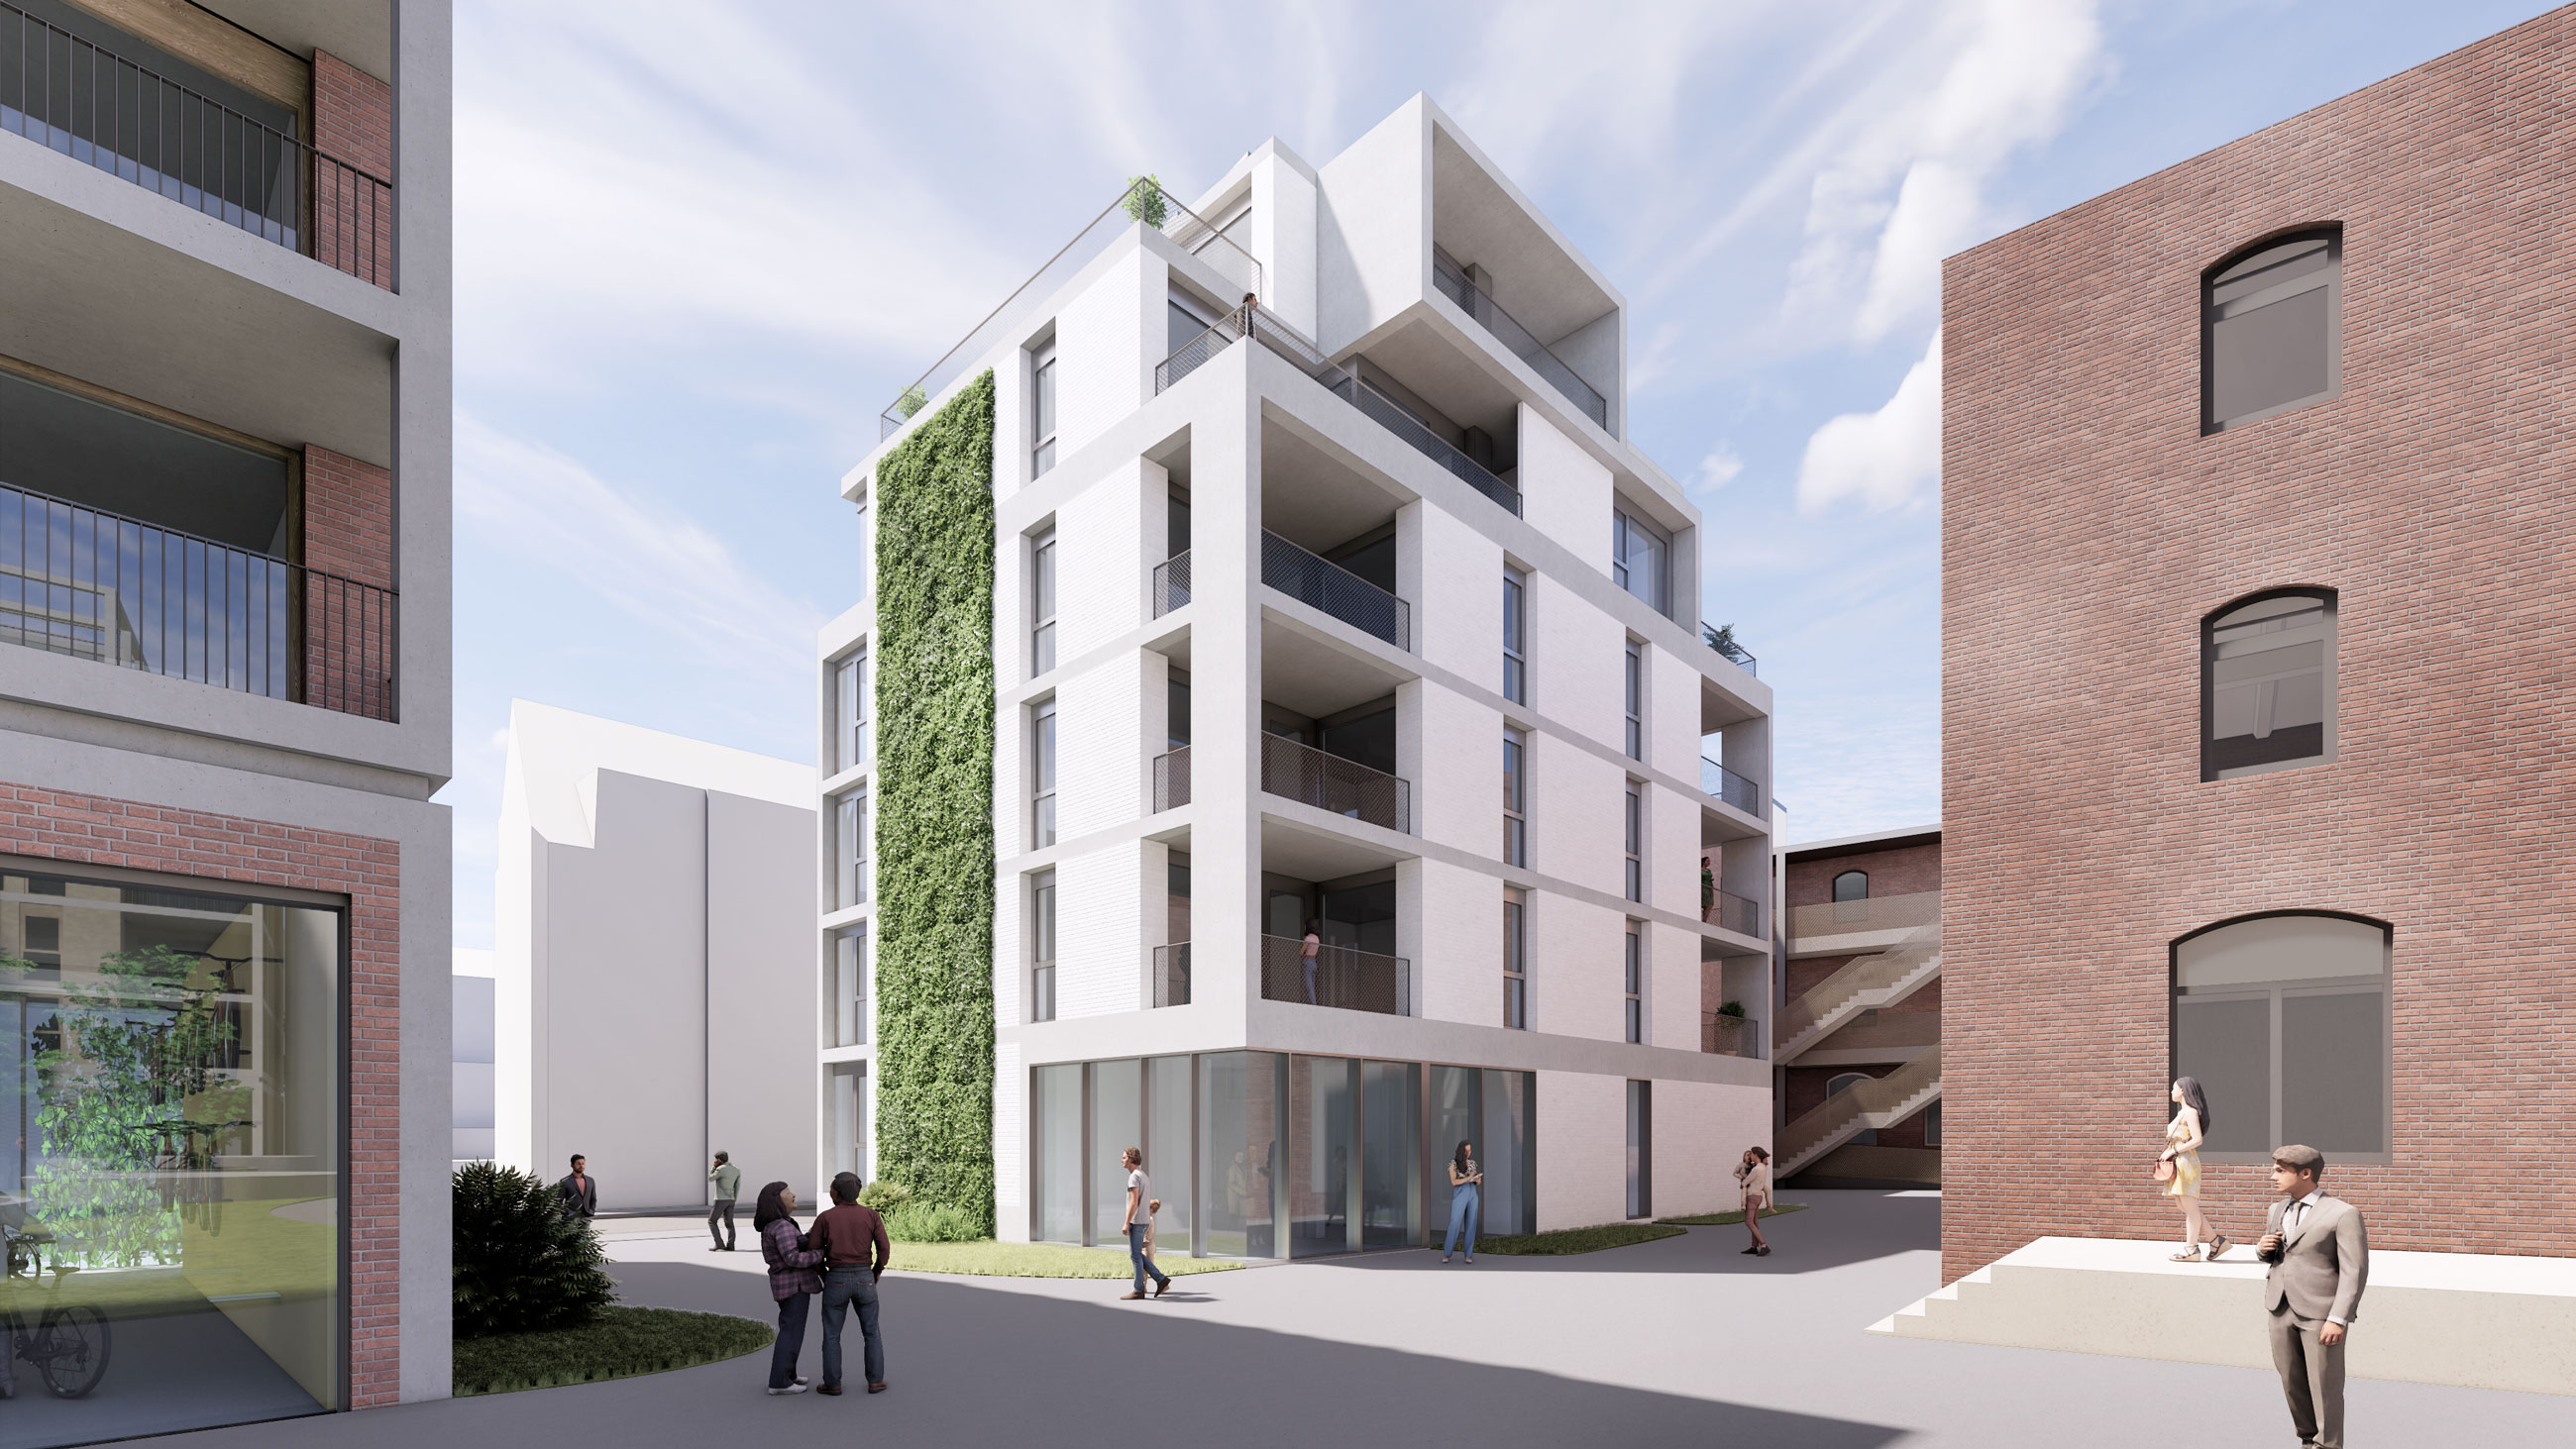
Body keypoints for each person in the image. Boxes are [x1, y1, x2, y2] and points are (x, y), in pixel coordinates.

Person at [2256, 1145, 2368, 1449]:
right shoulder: (2276, 1210)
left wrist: (2338, 1317)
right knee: (2291, 1382)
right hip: (2280, 1307)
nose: (2273, 1176)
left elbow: (2353, 1271)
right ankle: (2308, 1439)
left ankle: (2328, 1444)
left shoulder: (2343, 1214)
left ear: (2305, 1173)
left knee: (2325, 1386)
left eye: (2280, 1170)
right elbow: (2282, 1255)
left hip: (2321, 1313)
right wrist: (2263, 1250)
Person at [808, 1172, 890, 1396]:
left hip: (836, 1278)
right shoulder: (871, 1215)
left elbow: (813, 1250)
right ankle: (875, 1381)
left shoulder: (825, 1218)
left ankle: (832, 1383)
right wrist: (876, 1271)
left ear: (836, 1193)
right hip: (865, 1278)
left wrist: (824, 1274)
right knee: (871, 1331)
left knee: (832, 1334)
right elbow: (884, 1248)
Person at [755, 1180, 823, 1396]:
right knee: (790, 1332)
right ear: (777, 1199)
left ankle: (789, 1374)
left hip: (788, 1286)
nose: (793, 1195)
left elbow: (795, 1245)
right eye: (788, 1192)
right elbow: (792, 1257)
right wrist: (820, 1253)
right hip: (794, 1286)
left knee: (793, 1331)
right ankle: (779, 1382)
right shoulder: (782, 1226)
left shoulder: (779, 1224)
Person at [2159, 1077, 2232, 1261]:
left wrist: (2173, 1150)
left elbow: (2197, 1139)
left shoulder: (2190, 1112)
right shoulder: (2181, 1113)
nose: (2171, 1091)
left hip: (2186, 1163)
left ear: (2183, 1090)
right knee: (2182, 1204)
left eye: (2174, 1088)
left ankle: (2192, 1249)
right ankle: (2216, 1241)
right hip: (2178, 1161)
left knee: (2190, 1207)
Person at [1120, 1147, 1170, 1300]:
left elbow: (1134, 1202)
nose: (1121, 1160)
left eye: (1123, 1157)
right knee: (1137, 1255)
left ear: (1131, 1158)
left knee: (1135, 1256)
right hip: (1144, 1220)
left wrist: (1126, 1222)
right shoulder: (1143, 1176)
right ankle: (1161, 1280)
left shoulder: (1134, 1177)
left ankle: (1139, 1289)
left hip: (1136, 1220)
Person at [1441, 1139, 1480, 1264]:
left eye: (1470, 1150)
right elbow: (1454, 1182)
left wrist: (1477, 1180)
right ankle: (1447, 1253)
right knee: (1455, 1222)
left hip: (1473, 1192)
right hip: (1460, 1193)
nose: (1468, 1153)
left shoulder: (1473, 1163)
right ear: (1461, 1151)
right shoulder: (1453, 1164)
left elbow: (1477, 1181)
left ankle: (1468, 1255)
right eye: (1466, 1151)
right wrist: (1469, 1177)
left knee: (1471, 1224)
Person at [1735, 1146, 1772, 1256]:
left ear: (1756, 1155)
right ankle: (1753, 1246)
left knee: (1748, 1222)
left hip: (1752, 1197)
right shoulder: (1762, 1167)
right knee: (1755, 1223)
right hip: (1758, 1196)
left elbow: (1745, 1182)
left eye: (1751, 1153)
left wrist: (1742, 1183)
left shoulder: (1756, 1169)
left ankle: (1764, 1245)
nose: (1750, 1155)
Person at [707, 1151, 740, 1252]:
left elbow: (710, 1178)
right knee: (729, 1223)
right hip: (731, 1199)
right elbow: (737, 1186)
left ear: (719, 1160)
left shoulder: (720, 1169)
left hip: (721, 1199)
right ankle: (731, 1246)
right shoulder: (736, 1169)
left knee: (712, 1221)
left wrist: (713, 1167)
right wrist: (734, 1198)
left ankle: (719, 1244)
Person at [555, 1154, 597, 1218]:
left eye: (583, 1163)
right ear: (572, 1165)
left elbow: (593, 1199)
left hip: (587, 1215)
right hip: (571, 1216)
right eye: (578, 1164)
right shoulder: (565, 1181)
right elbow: (558, 1201)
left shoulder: (590, 1180)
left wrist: (591, 1211)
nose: (581, 1166)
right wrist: (566, 1213)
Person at [1300, 921, 1322, 1005]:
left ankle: (1313, 1004)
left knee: (1309, 986)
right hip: (1314, 962)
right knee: (1312, 985)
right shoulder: (1317, 938)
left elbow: (1301, 952)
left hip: (1308, 961)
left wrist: (1303, 952)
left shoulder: (1308, 938)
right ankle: (1312, 1003)